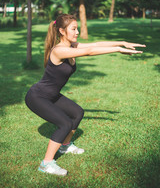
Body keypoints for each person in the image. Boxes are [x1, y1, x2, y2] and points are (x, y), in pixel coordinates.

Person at [25, 14, 146, 176]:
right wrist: (117, 50)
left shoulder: (73, 46)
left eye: (77, 28)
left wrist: (121, 42)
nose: (77, 32)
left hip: (51, 95)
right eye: (73, 29)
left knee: (77, 112)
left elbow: (96, 44)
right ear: (61, 31)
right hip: (37, 97)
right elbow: (89, 51)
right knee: (65, 123)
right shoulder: (59, 50)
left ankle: (65, 145)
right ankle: (46, 163)